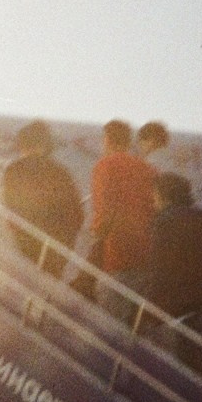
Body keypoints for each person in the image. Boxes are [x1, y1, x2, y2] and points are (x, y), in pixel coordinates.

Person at [133, 172, 202, 362]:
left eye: (154, 197)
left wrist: (143, 310)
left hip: (190, 312)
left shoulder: (166, 222)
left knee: (188, 375)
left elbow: (161, 271)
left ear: (163, 195)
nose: (153, 203)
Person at [0, 120, 85, 276]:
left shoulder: (14, 170)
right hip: (59, 249)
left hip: (27, 244)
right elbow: (78, 215)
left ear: (22, 145)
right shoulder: (62, 173)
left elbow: (12, 212)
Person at [85, 121, 155, 282]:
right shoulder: (149, 169)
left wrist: (96, 233)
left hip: (117, 251)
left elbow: (103, 207)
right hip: (146, 253)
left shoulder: (105, 165)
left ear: (107, 140)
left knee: (109, 298)